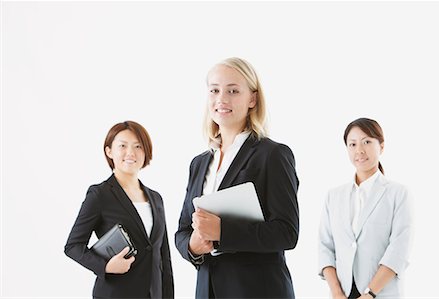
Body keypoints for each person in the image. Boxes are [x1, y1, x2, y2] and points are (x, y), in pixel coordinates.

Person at [175, 57, 299, 298]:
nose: (222, 98)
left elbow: (287, 232)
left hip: (258, 291)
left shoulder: (272, 155)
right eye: (215, 90)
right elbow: (182, 230)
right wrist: (192, 246)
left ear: (252, 99)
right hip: (208, 290)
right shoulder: (199, 163)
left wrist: (222, 232)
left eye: (233, 91)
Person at [65, 121, 174, 299]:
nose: (130, 153)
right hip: (115, 293)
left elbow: (164, 257)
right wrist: (105, 266)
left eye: (138, 146)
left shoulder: (156, 198)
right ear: (109, 152)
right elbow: (73, 246)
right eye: (123, 146)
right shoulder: (99, 194)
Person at [318, 118, 413, 299]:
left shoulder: (398, 193)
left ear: (381, 147)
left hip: (380, 294)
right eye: (352, 144)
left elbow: (399, 250)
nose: (359, 150)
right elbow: (325, 248)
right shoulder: (333, 196)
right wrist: (337, 293)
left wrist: (370, 293)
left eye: (367, 142)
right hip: (342, 294)